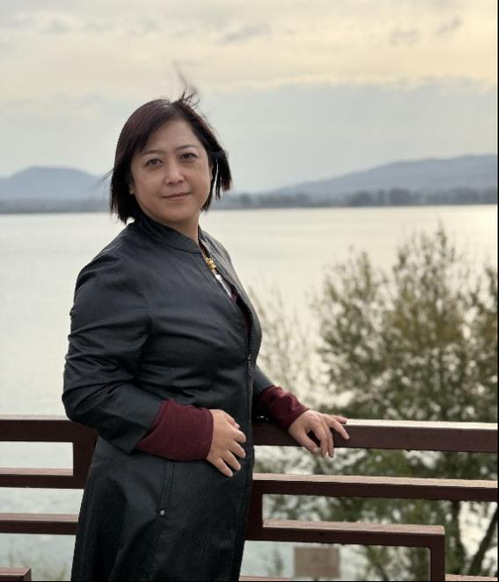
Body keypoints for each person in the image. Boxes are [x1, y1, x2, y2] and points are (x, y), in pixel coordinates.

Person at [62, 93, 349, 582]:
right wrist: (195, 431)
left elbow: (221, 354)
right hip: (150, 513)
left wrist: (282, 406)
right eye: (153, 163)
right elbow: (87, 391)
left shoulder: (206, 249)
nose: (174, 174)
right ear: (130, 181)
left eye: (187, 157)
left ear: (211, 166)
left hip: (202, 505)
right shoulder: (117, 271)